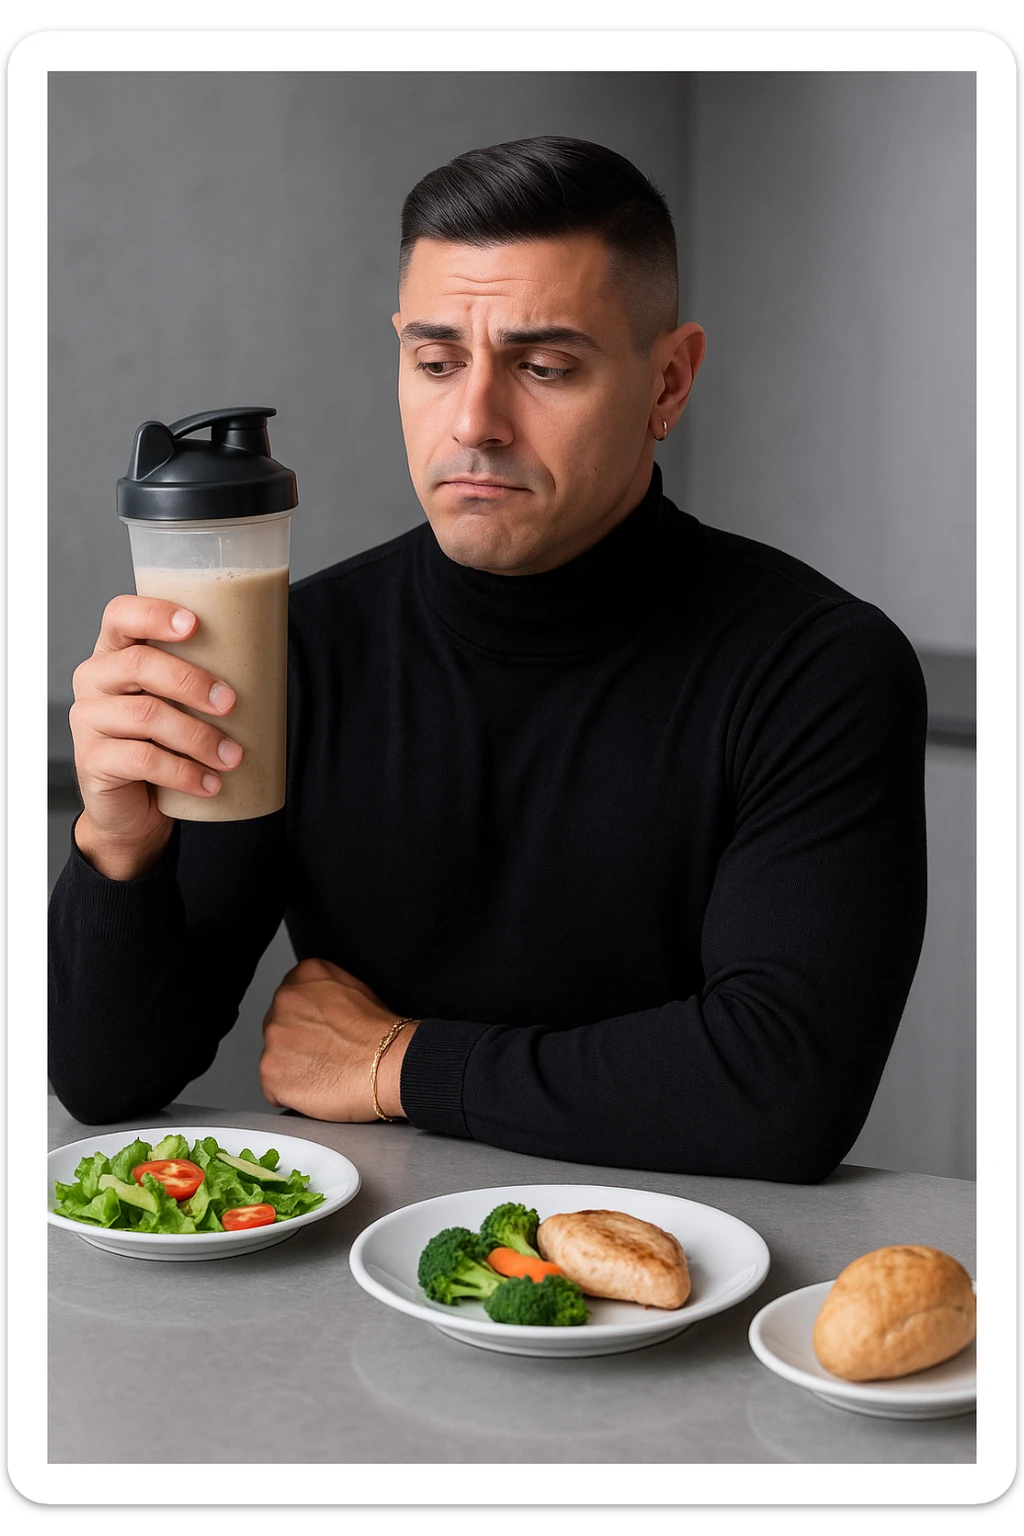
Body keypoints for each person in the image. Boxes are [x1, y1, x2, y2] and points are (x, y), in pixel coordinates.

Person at [48, 136, 927, 1182]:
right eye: (435, 361)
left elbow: (783, 1090)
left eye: (544, 366)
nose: (473, 421)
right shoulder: (300, 649)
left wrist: (396, 1064)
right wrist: (117, 846)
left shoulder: (816, 670)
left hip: (696, 1272)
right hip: (365, 1284)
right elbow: (107, 1083)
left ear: (669, 379)